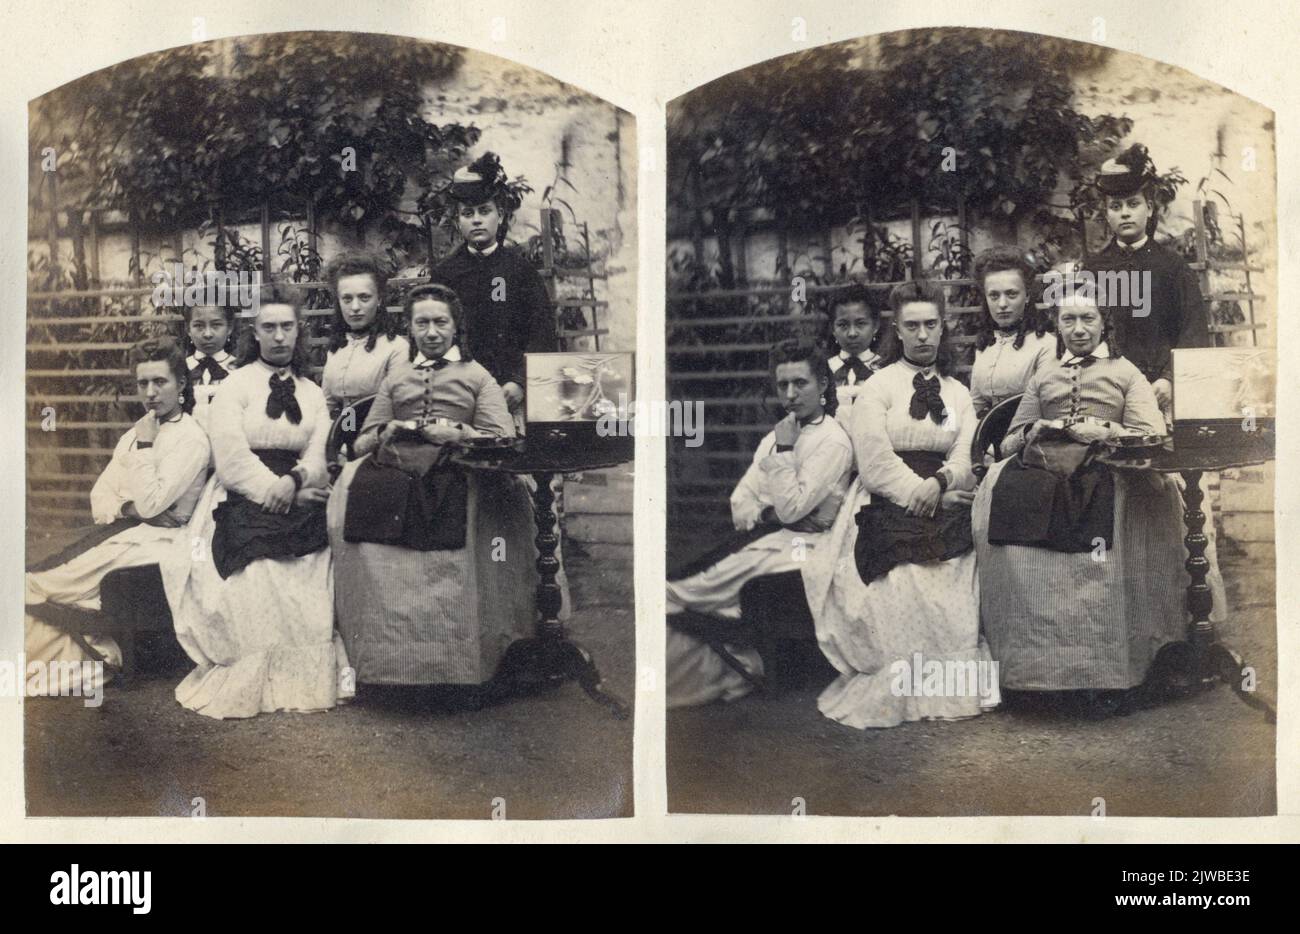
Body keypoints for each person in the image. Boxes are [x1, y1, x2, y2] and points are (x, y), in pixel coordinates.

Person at [971, 287, 1224, 716]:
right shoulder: (1044, 375)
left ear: (1104, 322)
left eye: (1088, 319)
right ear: (1057, 326)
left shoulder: (1125, 372)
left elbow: (1152, 434)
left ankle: (1109, 672)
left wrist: (1105, 431)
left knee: (1116, 509)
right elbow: (1011, 439)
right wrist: (1038, 429)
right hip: (1043, 471)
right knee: (1002, 498)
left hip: (1111, 469)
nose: (1079, 329)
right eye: (1068, 320)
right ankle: (1031, 676)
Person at [803, 280, 999, 729]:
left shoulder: (957, 392)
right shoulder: (879, 387)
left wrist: (945, 482)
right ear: (898, 330)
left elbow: (965, 454)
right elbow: (874, 462)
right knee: (904, 574)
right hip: (889, 497)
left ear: (943, 328)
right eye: (913, 326)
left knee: (960, 565)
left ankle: (951, 684)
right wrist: (923, 493)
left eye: (931, 324)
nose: (923, 335)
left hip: (948, 493)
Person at [326, 284, 537, 687]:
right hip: (399, 471)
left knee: (471, 500)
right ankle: (387, 663)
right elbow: (361, 443)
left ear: (456, 327)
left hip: (463, 469)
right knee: (354, 490)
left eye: (441, 322)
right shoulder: (397, 376)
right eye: (422, 323)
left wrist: (458, 431)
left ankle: (461, 664)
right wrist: (387, 429)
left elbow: (502, 437)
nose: (432, 332)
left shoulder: (477, 376)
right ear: (409, 327)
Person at [161, 284, 349, 719]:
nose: (279, 336)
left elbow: (319, 453)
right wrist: (276, 490)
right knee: (257, 571)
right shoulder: (235, 386)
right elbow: (231, 459)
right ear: (254, 333)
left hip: (302, 493)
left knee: (316, 563)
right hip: (244, 492)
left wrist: (298, 481)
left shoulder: (312, 391)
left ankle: (305, 679)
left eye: (287, 327)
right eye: (269, 327)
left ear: (298, 332)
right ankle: (256, 678)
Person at [666, 338, 854, 707]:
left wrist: (783, 467)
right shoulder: (776, 436)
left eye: (800, 383)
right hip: (772, 535)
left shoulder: (832, 442)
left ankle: (736, 663)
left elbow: (792, 510)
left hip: (809, 546)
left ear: (823, 385)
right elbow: (742, 500)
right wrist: (771, 510)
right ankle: (715, 663)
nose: (790, 394)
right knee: (686, 583)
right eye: (783, 384)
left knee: (693, 588)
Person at [25, 336, 210, 695]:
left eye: (161, 382)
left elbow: (154, 504)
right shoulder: (135, 433)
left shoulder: (191, 440)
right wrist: (131, 507)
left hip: (160, 543)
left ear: (182, 384)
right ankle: (75, 649)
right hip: (127, 532)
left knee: (41, 582)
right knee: (38, 577)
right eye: (143, 383)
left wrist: (143, 456)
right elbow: (100, 497)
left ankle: (97, 654)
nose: (151, 392)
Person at [1087, 143, 1211, 413]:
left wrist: (1170, 379)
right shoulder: (1093, 270)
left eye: (1133, 204)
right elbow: (1082, 332)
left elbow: (1193, 330)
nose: (1125, 213)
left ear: (1150, 208)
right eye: (1115, 206)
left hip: (1162, 392)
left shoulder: (1173, 268)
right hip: (1106, 391)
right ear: (1107, 214)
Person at [430, 152, 556, 415]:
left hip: (512, 393)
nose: (476, 219)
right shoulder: (446, 274)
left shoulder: (521, 272)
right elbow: (433, 335)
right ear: (458, 222)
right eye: (467, 213)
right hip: (459, 392)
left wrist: (520, 382)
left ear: (499, 216)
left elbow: (541, 334)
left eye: (484, 211)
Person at [320, 251, 409, 420]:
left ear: (379, 299)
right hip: (343, 430)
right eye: (347, 299)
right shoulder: (338, 346)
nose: (355, 307)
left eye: (364, 297)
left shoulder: (397, 349)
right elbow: (327, 405)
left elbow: (400, 408)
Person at [969, 246, 1055, 417]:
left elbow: (1046, 407)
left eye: (1011, 294)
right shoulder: (986, 344)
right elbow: (975, 404)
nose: (1002, 304)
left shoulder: (1046, 346)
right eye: (994, 296)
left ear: (1027, 296)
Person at [826, 284, 885, 419]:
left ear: (875, 326)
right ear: (833, 329)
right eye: (843, 325)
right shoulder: (825, 368)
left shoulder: (885, 369)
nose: (852, 333)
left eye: (860, 324)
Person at [182, 301, 239, 433]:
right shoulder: (179, 369)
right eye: (199, 326)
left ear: (229, 328)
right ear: (188, 329)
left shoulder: (240, 370)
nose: (207, 334)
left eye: (216, 325)